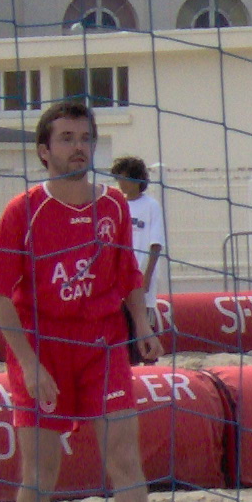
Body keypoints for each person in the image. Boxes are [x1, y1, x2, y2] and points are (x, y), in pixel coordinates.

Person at [0, 99, 164, 502]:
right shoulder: (23, 210)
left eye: (84, 138)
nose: (78, 147)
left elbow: (128, 275)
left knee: (125, 457)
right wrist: (29, 363)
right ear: (44, 151)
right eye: (66, 139)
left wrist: (142, 324)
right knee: (40, 471)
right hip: (42, 347)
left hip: (102, 344)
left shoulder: (113, 206)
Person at [110, 156, 168, 365]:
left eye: (124, 178)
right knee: (122, 324)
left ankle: (149, 366)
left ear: (137, 180)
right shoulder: (116, 205)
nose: (121, 183)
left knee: (144, 323)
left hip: (142, 276)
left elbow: (156, 244)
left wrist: (146, 277)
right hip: (118, 277)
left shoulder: (151, 206)